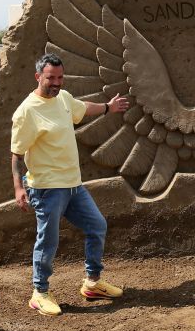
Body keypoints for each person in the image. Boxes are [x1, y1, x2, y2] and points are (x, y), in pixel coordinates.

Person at [11, 53, 130, 316]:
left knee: (97, 225)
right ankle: (39, 293)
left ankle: (92, 283)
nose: (56, 82)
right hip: (46, 189)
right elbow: (17, 154)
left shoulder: (63, 99)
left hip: (74, 186)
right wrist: (19, 188)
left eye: (60, 77)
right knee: (48, 240)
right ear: (38, 77)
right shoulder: (26, 112)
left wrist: (108, 107)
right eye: (50, 78)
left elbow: (82, 108)